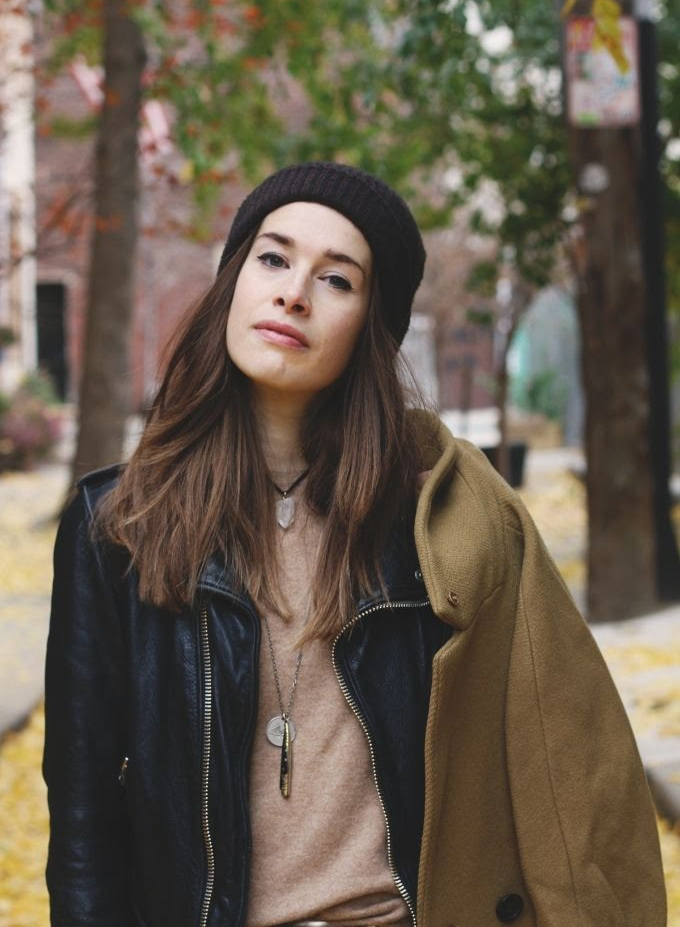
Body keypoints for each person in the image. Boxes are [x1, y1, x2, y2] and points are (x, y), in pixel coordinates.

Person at [43, 162, 666, 927]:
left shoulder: (440, 519)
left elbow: (566, 761)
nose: (293, 293)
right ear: (233, 280)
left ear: (372, 325)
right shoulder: (116, 524)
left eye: (336, 279)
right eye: (273, 258)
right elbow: (83, 824)